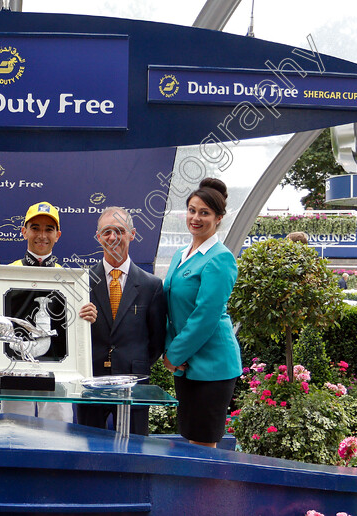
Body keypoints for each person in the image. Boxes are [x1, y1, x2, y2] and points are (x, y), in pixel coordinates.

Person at [163, 178, 242, 448]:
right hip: (186, 364)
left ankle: (204, 492)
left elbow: (205, 316)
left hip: (213, 365)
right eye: (192, 210)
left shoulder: (220, 258)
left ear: (219, 218)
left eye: (204, 213)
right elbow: (171, 310)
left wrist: (173, 354)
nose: (196, 218)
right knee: (190, 437)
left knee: (203, 442)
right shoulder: (180, 255)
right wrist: (171, 351)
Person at [74, 207, 166, 436]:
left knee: (134, 451)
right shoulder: (81, 284)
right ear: (98, 237)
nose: (113, 238)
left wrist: (134, 365)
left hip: (133, 385)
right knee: (88, 446)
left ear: (132, 234)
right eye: (106, 232)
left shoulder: (151, 286)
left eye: (119, 231)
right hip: (91, 382)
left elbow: (156, 340)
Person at [0, 201, 72, 422]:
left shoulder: (70, 279)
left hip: (58, 370)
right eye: (35, 228)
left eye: (49, 229)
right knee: (13, 431)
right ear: (24, 232)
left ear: (58, 235)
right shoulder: (5, 275)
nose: (42, 235)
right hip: (15, 365)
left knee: (59, 433)